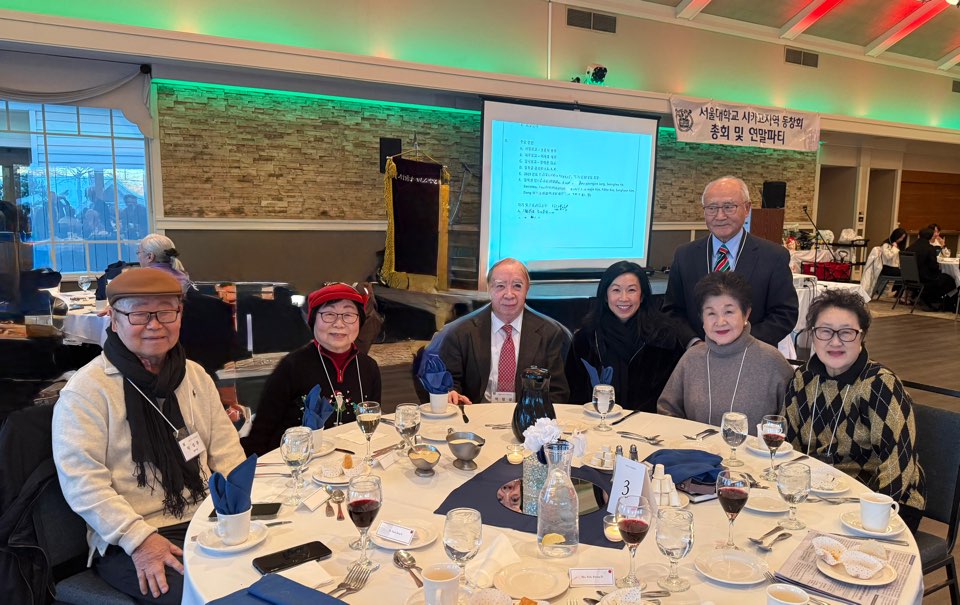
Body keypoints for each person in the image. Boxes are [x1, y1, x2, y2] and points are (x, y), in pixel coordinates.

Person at [51, 268, 247, 604]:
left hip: (206, 519)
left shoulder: (194, 375)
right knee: (212, 598)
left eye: (166, 312)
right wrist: (139, 539)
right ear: (114, 319)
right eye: (139, 314)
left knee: (274, 576)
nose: (155, 325)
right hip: (133, 536)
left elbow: (226, 451)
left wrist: (241, 508)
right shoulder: (87, 391)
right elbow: (83, 483)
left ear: (180, 316)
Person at [782, 289, 925, 531]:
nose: (835, 341)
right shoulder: (803, 379)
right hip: (819, 495)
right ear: (813, 335)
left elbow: (898, 463)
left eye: (846, 332)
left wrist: (872, 514)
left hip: (883, 500)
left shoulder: (880, 385)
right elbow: (789, 446)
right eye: (825, 331)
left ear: (862, 336)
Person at [243, 282, 381, 456]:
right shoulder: (292, 366)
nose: (339, 323)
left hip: (351, 462)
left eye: (348, 315)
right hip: (295, 464)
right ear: (313, 320)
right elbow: (261, 434)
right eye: (329, 314)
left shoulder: (369, 368)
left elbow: (372, 428)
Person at [662, 176, 798, 348]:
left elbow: (785, 314)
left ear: (747, 208)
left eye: (729, 207)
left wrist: (738, 346)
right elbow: (672, 311)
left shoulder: (773, 256)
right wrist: (694, 342)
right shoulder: (685, 255)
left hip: (752, 355)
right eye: (712, 208)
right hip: (697, 355)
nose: (720, 216)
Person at [658, 272, 794, 428]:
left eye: (728, 312)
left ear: (746, 314)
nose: (720, 322)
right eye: (711, 313)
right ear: (702, 318)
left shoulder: (772, 361)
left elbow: (791, 422)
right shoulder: (691, 358)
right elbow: (667, 409)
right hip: (694, 444)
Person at [437, 258, 570, 405]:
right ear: (489, 288)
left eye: (517, 286)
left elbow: (558, 392)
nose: (509, 294)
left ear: (527, 289)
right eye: (500, 286)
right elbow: (449, 382)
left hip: (527, 413)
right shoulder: (461, 332)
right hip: (477, 411)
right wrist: (452, 393)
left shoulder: (549, 333)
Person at [564, 261, 686, 412]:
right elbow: (574, 396)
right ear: (605, 296)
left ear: (642, 296)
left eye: (631, 290)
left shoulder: (664, 337)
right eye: (616, 290)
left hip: (651, 422)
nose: (624, 298)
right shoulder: (585, 338)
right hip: (597, 420)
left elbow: (674, 396)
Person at [904, 226, 955, 310]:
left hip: (910, 278)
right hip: (925, 279)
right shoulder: (930, 248)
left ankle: (925, 298)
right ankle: (935, 301)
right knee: (949, 280)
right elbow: (933, 267)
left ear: (919, 235)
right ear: (931, 237)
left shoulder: (909, 248)